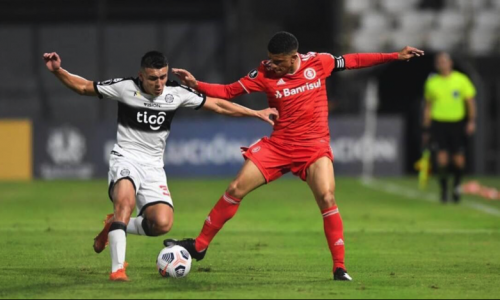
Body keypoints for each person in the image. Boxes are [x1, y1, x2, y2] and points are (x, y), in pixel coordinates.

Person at [164, 31, 424, 281]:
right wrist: (196, 84)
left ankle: (339, 267)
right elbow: (229, 91)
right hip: (279, 146)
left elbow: (354, 60)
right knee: (235, 188)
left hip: (314, 147)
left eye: (278, 61)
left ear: (293, 56)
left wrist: (394, 56)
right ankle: (199, 246)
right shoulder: (263, 72)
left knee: (327, 196)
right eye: (271, 59)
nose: (272, 65)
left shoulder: (319, 62)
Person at [43, 50, 279, 281]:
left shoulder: (175, 93)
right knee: (125, 203)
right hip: (126, 157)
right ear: (141, 76)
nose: (159, 83)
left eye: (163, 77)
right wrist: (58, 71)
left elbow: (218, 106)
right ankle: (117, 270)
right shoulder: (125, 87)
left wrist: (256, 113)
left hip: (153, 166)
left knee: (162, 223)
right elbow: (84, 87)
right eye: (153, 78)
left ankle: (113, 226)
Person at [423, 52, 477, 203]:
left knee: (458, 160)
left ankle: (457, 186)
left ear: (450, 63)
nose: (442, 64)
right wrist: (426, 128)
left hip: (457, 124)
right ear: (437, 64)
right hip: (439, 124)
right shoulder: (432, 83)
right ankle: (444, 190)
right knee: (442, 161)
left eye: (444, 61)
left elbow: (470, 102)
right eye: (439, 62)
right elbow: (428, 107)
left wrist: (471, 121)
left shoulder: (461, 80)